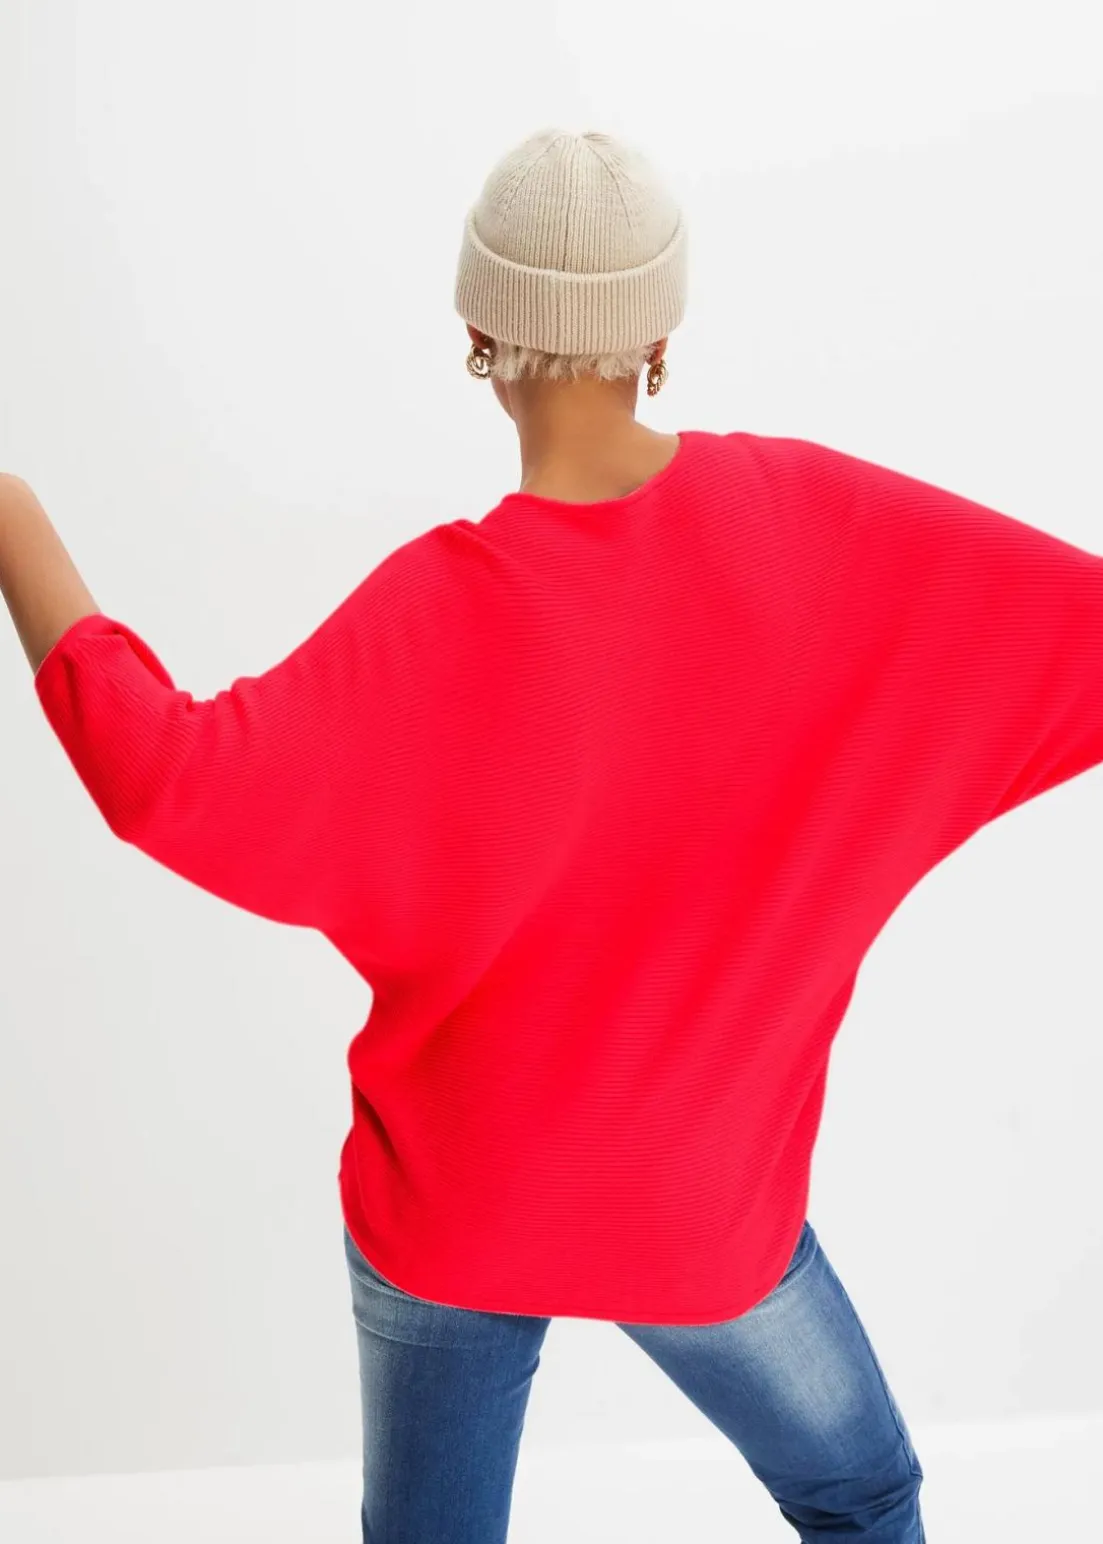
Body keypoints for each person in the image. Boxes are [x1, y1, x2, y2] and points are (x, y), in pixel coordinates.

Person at [6, 127, 1103, 1544]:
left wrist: (14, 517)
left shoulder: (429, 613)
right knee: (861, 1494)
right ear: (661, 335)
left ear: (478, 334)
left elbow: (167, 776)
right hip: (696, 1204)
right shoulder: (815, 523)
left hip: (454, 1201)